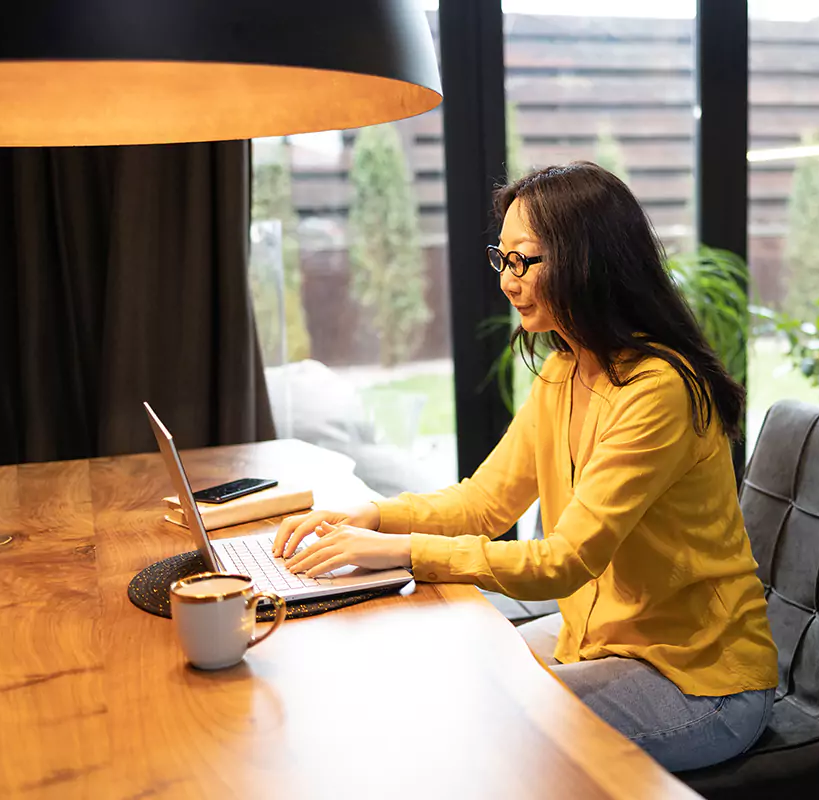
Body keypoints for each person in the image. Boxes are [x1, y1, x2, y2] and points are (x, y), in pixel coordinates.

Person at [273, 162, 778, 773]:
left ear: (587, 259)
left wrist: (403, 551)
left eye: (525, 260)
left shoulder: (657, 390)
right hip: (601, 645)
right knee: (447, 685)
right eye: (503, 259)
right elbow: (485, 504)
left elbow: (566, 561)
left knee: (488, 740)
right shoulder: (567, 370)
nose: (509, 282)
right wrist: (373, 515)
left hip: (701, 680)